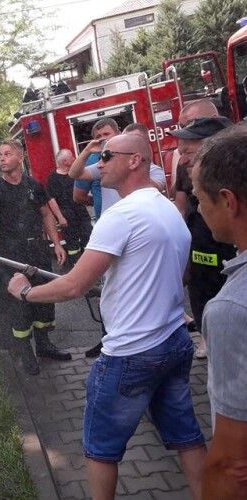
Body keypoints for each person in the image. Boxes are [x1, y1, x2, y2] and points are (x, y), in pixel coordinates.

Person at [6, 133, 206, 500]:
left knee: (99, 448)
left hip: (130, 353)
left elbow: (72, 288)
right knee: (186, 437)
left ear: (135, 161)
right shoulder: (167, 209)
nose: (100, 164)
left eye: (108, 156)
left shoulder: (121, 215)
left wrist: (24, 291)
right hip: (174, 342)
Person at [0, 139, 69, 375]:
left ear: (21, 157)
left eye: (7, 154)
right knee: (20, 304)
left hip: (37, 251)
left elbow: (47, 215)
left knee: (44, 299)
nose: (2, 159)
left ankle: (44, 344)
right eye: (0, 156)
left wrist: (56, 243)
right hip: (12, 257)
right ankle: (24, 350)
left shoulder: (34, 186)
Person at [191, 126, 247, 499]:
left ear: (228, 201)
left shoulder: (231, 308)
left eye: (199, 198)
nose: (197, 208)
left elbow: (231, 462)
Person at [169, 117, 236, 359]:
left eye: (188, 151)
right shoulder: (187, 173)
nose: (183, 159)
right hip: (202, 255)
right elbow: (181, 206)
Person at [70, 118, 167, 216]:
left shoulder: (155, 171)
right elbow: (74, 174)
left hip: (139, 219)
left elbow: (154, 191)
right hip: (110, 221)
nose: (103, 139)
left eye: (106, 134)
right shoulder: (104, 164)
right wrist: (87, 150)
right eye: (98, 136)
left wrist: (128, 165)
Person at [46, 149, 93, 268]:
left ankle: (90, 266)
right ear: (65, 161)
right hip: (67, 216)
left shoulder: (76, 174)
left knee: (89, 236)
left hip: (81, 213)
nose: (74, 158)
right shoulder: (53, 178)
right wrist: (60, 217)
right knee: (72, 246)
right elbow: (51, 200)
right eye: (71, 157)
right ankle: (76, 266)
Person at [122, 123, 166, 191]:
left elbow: (154, 189)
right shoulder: (112, 167)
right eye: (125, 140)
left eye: (134, 140)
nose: (128, 144)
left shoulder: (155, 171)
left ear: (145, 143)